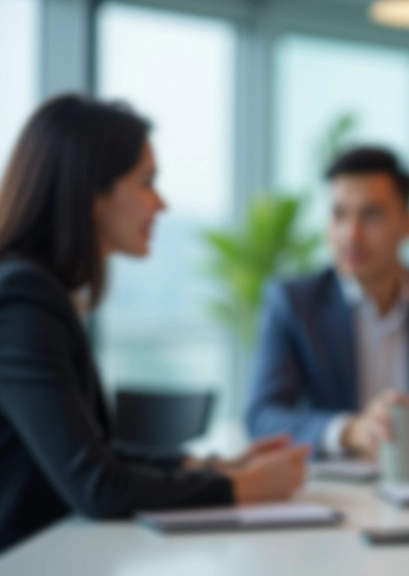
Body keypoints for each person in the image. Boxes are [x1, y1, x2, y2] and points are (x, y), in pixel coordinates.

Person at [0, 95, 308, 553]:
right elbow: (97, 485)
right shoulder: (24, 299)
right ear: (91, 195)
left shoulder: (37, 290)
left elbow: (97, 451)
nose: (160, 203)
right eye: (146, 183)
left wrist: (216, 467)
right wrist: (243, 489)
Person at [246, 147, 409, 460]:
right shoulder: (295, 303)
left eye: (371, 215)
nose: (350, 235)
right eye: (339, 214)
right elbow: (263, 418)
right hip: (335, 492)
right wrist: (350, 430)